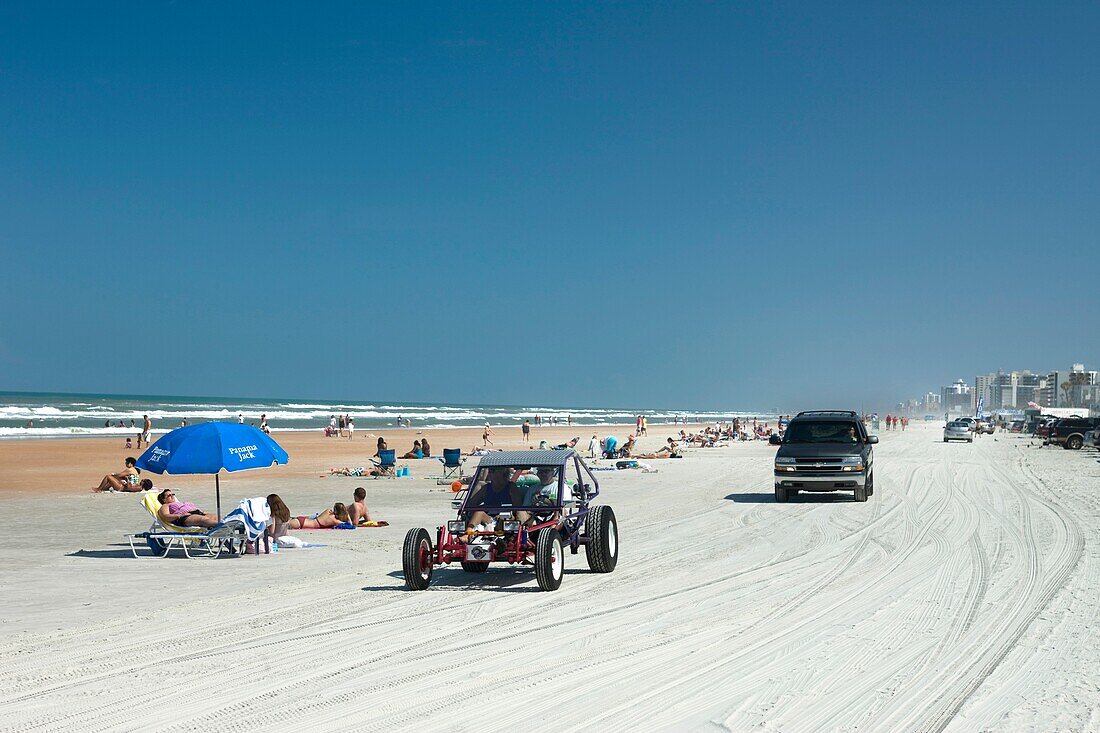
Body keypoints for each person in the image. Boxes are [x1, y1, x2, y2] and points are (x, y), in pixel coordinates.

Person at [464, 467, 520, 534]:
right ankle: (468, 534)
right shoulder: (486, 488)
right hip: (489, 518)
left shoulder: (511, 487)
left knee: (503, 518)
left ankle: (500, 537)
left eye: (492, 470)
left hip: (506, 518)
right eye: (489, 471)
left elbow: (518, 507)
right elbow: (471, 503)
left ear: (502, 472)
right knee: (479, 512)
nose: (489, 473)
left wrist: (503, 513)